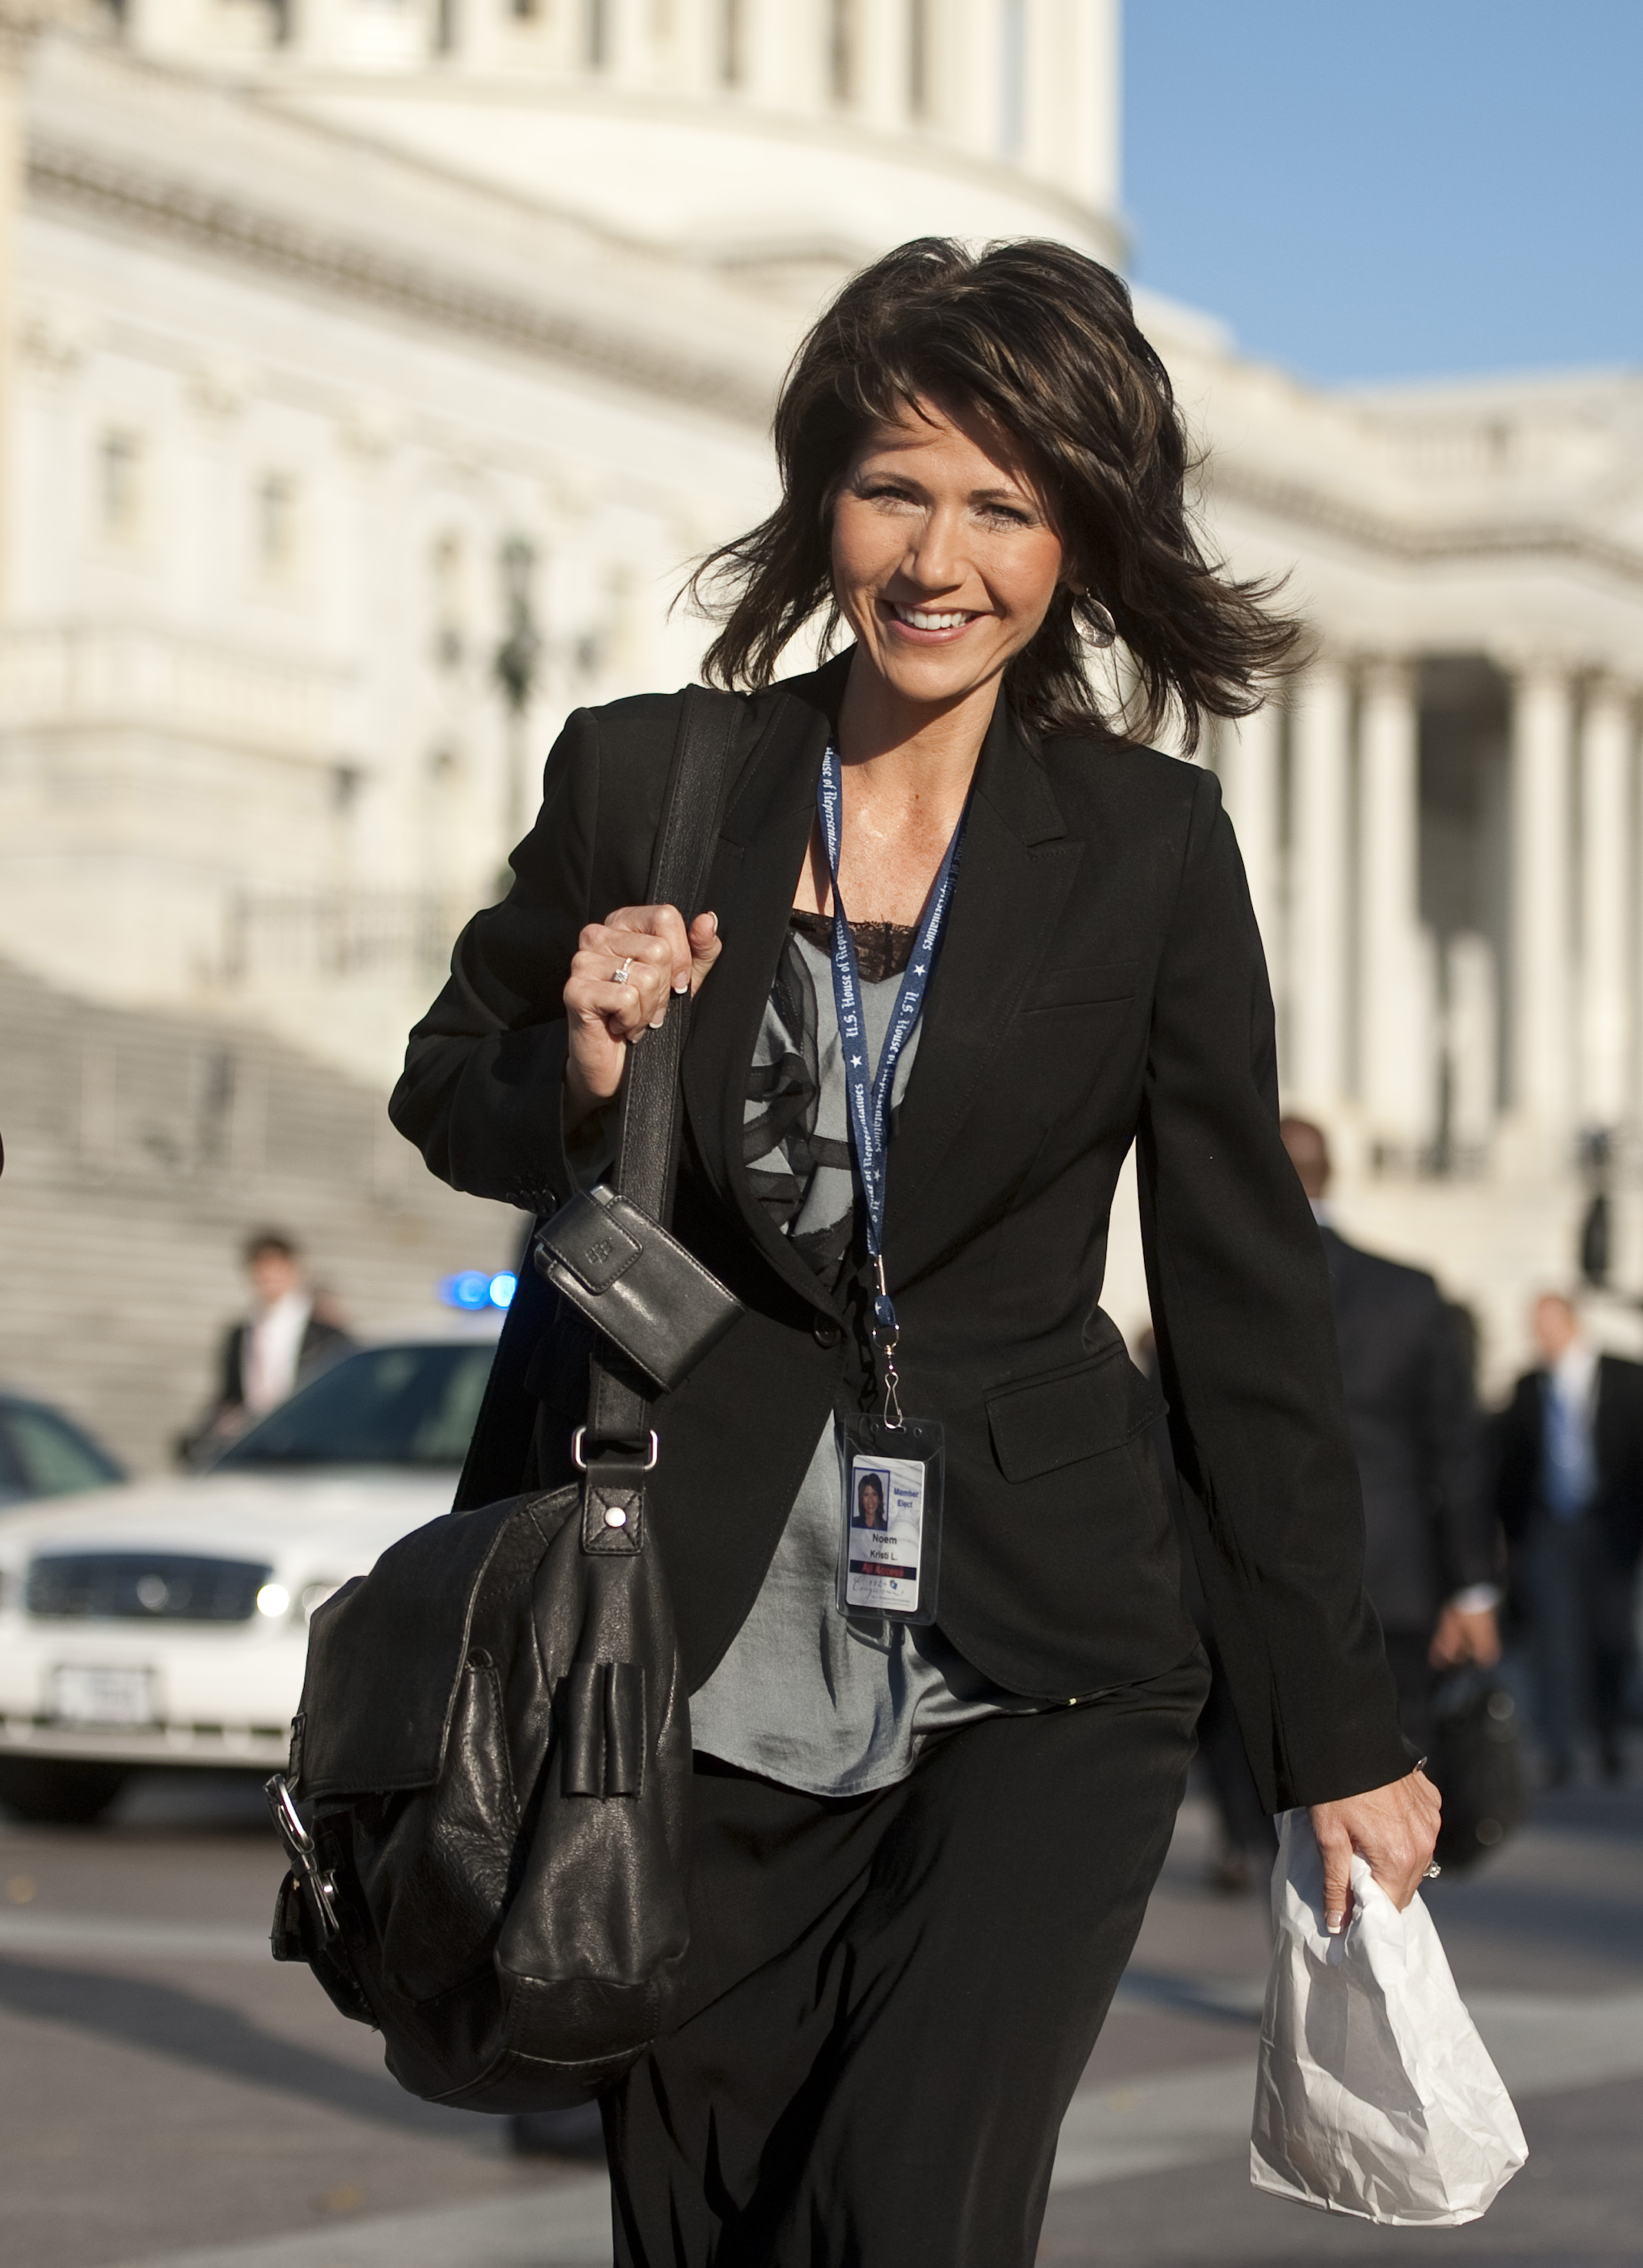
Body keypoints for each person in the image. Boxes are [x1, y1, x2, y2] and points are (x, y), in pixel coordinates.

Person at [389, 238, 1436, 2268]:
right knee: (705, 2222)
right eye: (892, 488)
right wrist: (586, 1064)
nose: (935, 554)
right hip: (672, 1659)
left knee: (908, 2217)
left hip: (1037, 1666)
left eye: (1001, 504)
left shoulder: (1142, 847)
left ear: (1075, 543)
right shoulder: (646, 780)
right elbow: (451, 1085)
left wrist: (1336, 1729)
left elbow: (1238, 1301)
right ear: (821, 503)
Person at [1279, 1118, 1500, 1757]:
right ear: (1333, 1175)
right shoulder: (1409, 1291)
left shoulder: (1225, 1288)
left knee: (1284, 1783)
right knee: (1398, 1762)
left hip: (1272, 1570)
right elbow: (1455, 1449)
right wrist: (1472, 1585)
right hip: (1394, 1573)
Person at [1494, 1292, 1643, 1784]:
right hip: (1548, 1528)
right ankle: (1559, 1746)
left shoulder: (1626, 1376)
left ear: (1571, 1323)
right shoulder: (1529, 1386)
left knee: (1610, 1634)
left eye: (1547, 1324)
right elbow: (1508, 1467)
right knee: (1554, 1639)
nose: (1539, 1335)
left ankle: (1606, 1737)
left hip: (1610, 1528)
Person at [188, 1231, 351, 1459]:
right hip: (257, 1447)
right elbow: (230, 1397)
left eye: (276, 1269)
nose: (268, 1278)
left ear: (294, 1270)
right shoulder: (240, 1334)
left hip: (310, 1448)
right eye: (262, 1271)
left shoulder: (327, 1336)